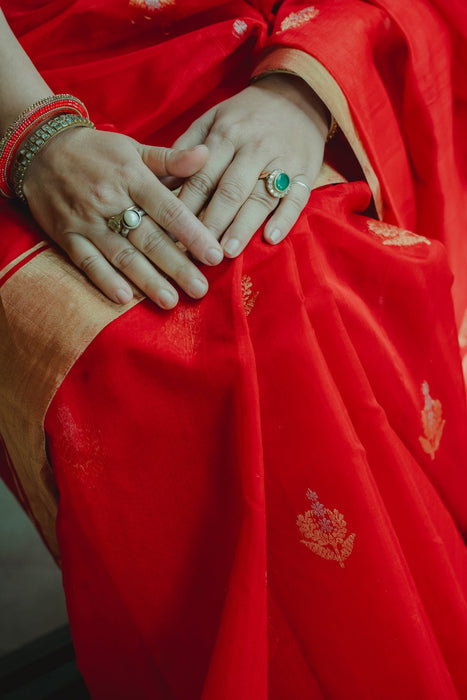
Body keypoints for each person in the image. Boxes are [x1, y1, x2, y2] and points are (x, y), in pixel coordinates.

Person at [0, 1, 466, 697]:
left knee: (304, 261)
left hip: (258, 44)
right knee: (169, 344)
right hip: (24, 77)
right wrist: (34, 140)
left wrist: (304, 88)